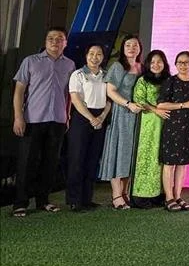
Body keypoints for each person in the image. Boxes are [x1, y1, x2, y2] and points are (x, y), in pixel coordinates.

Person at [12, 27, 76, 217]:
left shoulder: (70, 65)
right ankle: (20, 203)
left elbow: (70, 95)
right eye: (51, 38)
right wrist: (18, 116)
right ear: (45, 41)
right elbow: (19, 91)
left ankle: (43, 200)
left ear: (65, 43)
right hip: (32, 119)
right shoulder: (30, 61)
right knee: (26, 162)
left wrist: (68, 115)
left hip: (57, 120)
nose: (55, 42)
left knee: (50, 162)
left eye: (60, 39)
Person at [99, 35, 143, 209]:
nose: (131, 47)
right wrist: (128, 104)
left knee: (132, 155)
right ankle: (116, 195)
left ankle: (126, 193)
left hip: (139, 117)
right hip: (122, 115)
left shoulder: (142, 67)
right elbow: (110, 91)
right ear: (123, 48)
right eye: (128, 45)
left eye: (135, 45)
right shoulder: (118, 66)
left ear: (140, 48)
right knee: (119, 153)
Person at [66, 44, 111, 212]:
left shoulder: (106, 75)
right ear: (86, 56)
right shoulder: (77, 74)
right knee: (77, 159)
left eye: (99, 54)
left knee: (92, 160)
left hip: (100, 118)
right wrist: (91, 118)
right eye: (91, 53)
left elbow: (109, 100)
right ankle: (74, 199)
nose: (95, 57)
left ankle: (87, 198)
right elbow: (76, 99)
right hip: (82, 117)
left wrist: (101, 117)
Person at [157, 51, 189, 212]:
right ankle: (168, 198)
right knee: (169, 164)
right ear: (175, 64)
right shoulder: (170, 81)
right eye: (180, 62)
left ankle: (178, 196)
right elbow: (161, 105)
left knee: (183, 164)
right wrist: (183, 105)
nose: (183, 65)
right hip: (172, 127)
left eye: (186, 62)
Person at [131, 50, 171, 209]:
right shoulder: (142, 80)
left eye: (159, 61)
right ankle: (141, 196)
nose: (156, 65)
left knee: (162, 160)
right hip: (148, 126)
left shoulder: (169, 80)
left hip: (166, 125)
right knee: (147, 158)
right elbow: (139, 100)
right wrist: (156, 110)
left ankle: (158, 194)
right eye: (153, 62)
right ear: (148, 64)